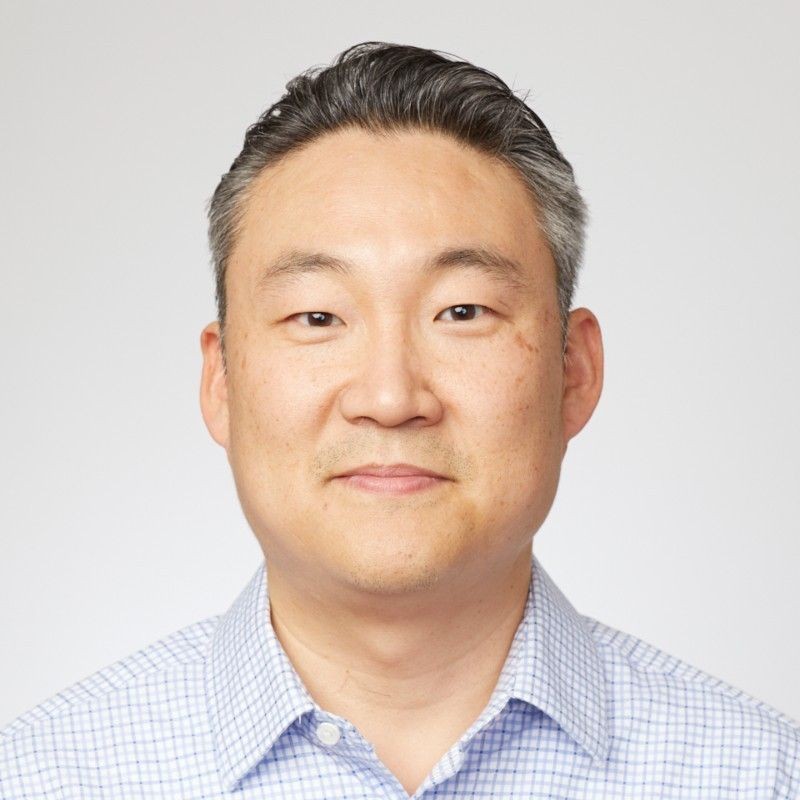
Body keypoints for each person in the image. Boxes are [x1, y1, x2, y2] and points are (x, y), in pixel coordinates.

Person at [1, 40, 798, 800]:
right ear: (221, 382)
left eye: (462, 310)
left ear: (574, 372)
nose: (389, 397)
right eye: (317, 317)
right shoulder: (45, 778)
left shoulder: (759, 777)